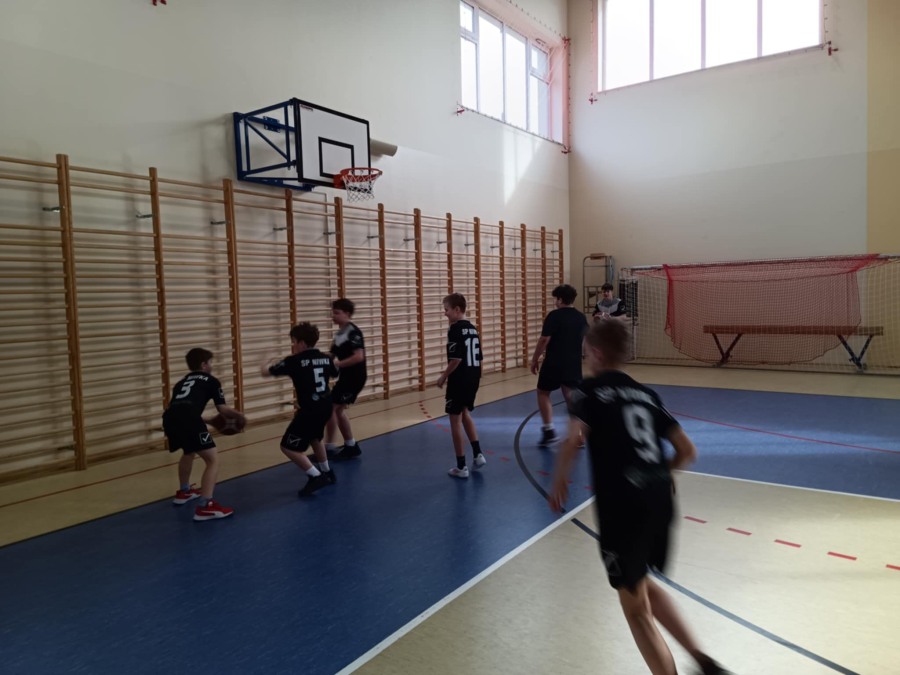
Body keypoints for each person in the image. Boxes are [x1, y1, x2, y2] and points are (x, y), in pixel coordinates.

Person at [548, 320, 730, 675]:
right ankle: (704, 663)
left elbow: (573, 439)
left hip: (623, 507)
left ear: (597, 354)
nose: (585, 360)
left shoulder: (588, 391)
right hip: (660, 502)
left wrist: (559, 481)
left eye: (586, 355)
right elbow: (687, 450)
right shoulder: (647, 394)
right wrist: (663, 473)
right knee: (640, 582)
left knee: (635, 611)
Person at [163, 347, 243, 521]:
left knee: (189, 451)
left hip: (169, 419)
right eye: (210, 362)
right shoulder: (211, 381)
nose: (212, 365)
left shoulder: (181, 383)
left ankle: (184, 491)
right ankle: (205, 506)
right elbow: (222, 409)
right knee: (212, 460)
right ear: (204, 364)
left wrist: (207, 421)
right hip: (189, 420)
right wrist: (239, 415)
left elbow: (181, 408)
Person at [261, 322, 339, 497]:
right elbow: (336, 373)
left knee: (288, 447)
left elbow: (266, 372)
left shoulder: (294, 361)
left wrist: (265, 359)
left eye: (294, 342)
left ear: (302, 343)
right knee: (315, 438)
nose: (293, 345)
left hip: (310, 410)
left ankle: (315, 475)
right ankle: (327, 471)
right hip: (326, 406)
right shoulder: (325, 358)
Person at [530, 284, 589, 446]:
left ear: (560, 299)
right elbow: (585, 340)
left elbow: (544, 339)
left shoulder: (554, 316)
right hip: (573, 364)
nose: (555, 302)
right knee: (571, 397)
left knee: (543, 392)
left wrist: (535, 359)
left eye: (556, 299)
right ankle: (578, 435)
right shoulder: (581, 317)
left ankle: (549, 431)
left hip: (554, 362)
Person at [436, 293, 486, 479]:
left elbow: (456, 359)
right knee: (465, 413)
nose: (445, 313)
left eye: (446, 309)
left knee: (455, 419)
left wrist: (443, 377)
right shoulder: (472, 328)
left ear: (457, 309)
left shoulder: (455, 329)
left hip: (459, 379)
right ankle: (478, 454)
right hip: (473, 377)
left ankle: (461, 466)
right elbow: (479, 358)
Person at [324, 298, 366, 461]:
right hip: (346, 377)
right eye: (333, 313)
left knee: (332, 408)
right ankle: (350, 445)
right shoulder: (340, 333)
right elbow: (333, 354)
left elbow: (358, 356)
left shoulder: (353, 332)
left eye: (337, 313)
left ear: (347, 314)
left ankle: (330, 447)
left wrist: (338, 364)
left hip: (354, 378)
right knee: (337, 410)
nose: (333, 316)